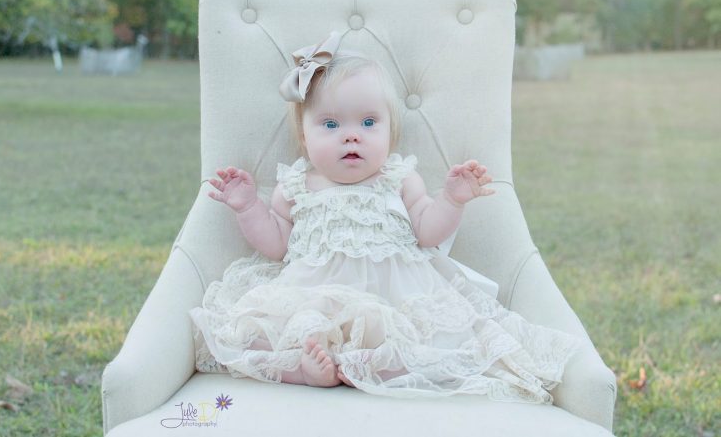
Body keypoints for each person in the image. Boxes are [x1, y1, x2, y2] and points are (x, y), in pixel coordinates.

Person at [189, 30, 583, 403]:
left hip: (394, 299)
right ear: (304, 138)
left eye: (368, 123)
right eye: (331, 124)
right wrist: (248, 207)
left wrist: (451, 199)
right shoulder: (296, 185)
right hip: (314, 294)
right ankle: (310, 371)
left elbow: (428, 233)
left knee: (419, 348)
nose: (351, 136)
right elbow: (276, 245)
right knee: (259, 335)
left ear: (390, 132)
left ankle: (369, 368)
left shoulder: (398, 178)